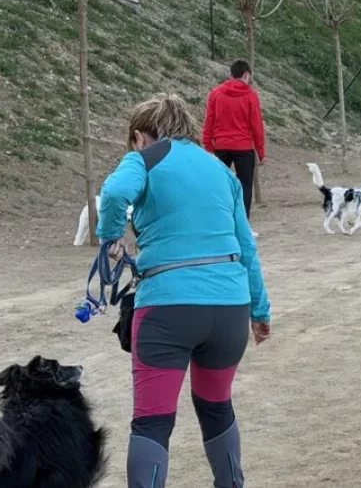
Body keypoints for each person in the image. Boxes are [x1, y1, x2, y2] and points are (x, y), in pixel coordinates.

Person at [97, 94, 271, 488]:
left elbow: (114, 194)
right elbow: (246, 246)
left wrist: (110, 236)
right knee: (217, 407)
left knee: (153, 422)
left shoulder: (145, 158)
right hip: (230, 308)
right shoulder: (220, 170)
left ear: (140, 137)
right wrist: (260, 312)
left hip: (168, 307)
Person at [202, 60, 266, 220]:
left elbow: (209, 121)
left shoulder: (216, 93)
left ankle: (220, 219)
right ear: (247, 75)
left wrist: (208, 146)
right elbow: (256, 125)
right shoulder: (251, 95)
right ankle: (242, 223)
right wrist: (261, 152)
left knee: (219, 184)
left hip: (221, 146)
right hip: (244, 147)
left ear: (230, 74)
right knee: (245, 186)